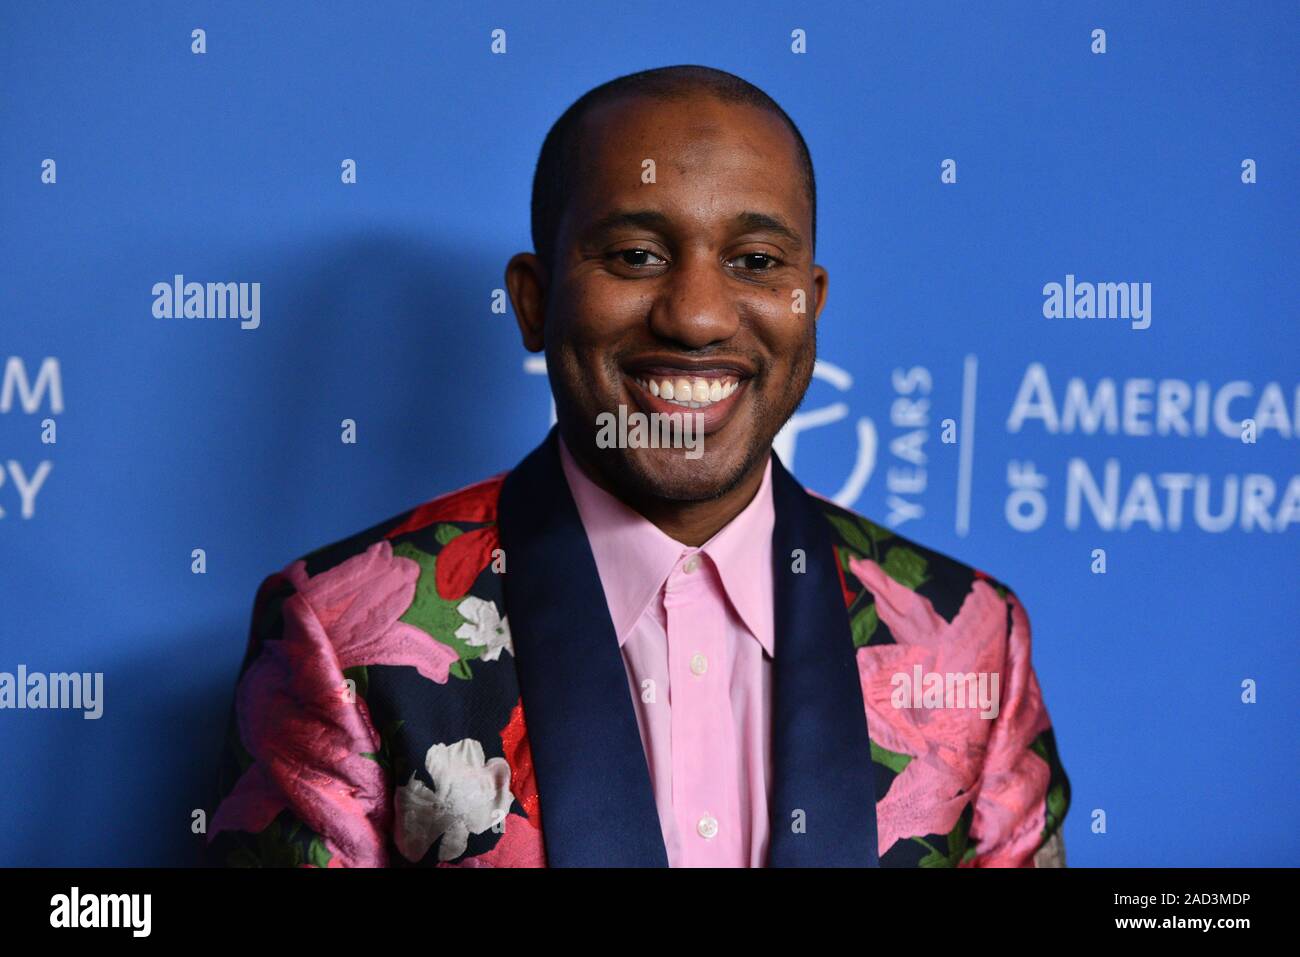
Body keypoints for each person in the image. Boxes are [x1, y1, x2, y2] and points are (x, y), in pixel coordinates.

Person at [205, 64, 1069, 868]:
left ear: (812, 306)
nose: (695, 316)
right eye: (636, 256)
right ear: (535, 302)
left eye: (756, 262)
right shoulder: (342, 634)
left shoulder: (968, 635)